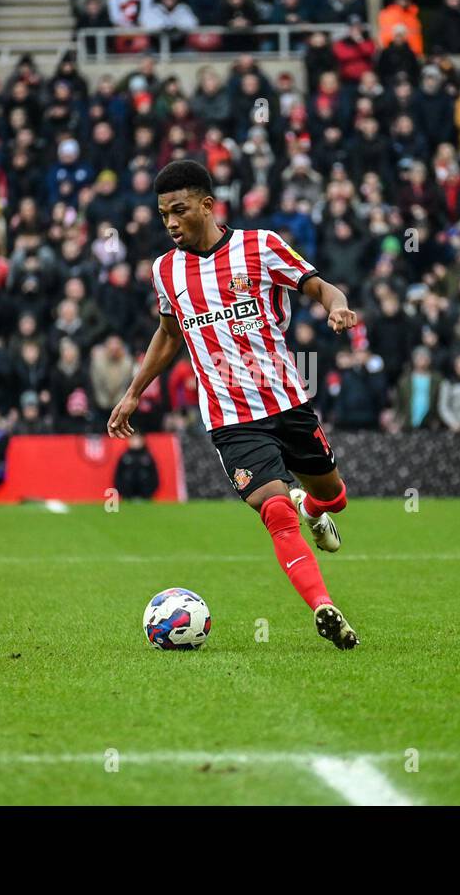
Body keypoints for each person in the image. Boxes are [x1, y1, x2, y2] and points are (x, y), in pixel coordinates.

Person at [107, 160, 360, 650]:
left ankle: (314, 507)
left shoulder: (260, 247)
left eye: (179, 211)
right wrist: (135, 391)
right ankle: (324, 606)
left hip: (288, 403)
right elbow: (168, 334)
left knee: (334, 497)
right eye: (163, 215)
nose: (171, 223)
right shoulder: (166, 269)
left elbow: (320, 286)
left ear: (207, 204)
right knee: (274, 511)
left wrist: (336, 307)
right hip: (230, 419)